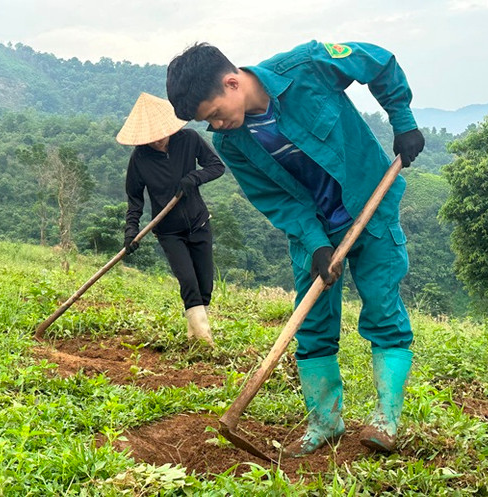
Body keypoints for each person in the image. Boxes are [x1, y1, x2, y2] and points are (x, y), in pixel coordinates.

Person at [166, 41, 425, 456]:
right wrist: (317, 243)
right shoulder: (232, 144)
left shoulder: (307, 67)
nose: (215, 125)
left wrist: (404, 123)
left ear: (232, 83)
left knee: (382, 307)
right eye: (206, 121)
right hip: (313, 230)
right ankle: (325, 421)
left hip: (370, 204)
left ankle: (385, 419)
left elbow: (379, 63)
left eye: (214, 113)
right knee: (313, 324)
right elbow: (275, 199)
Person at [117, 92, 225, 347]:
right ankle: (205, 342)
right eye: (151, 137)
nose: (157, 140)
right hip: (168, 231)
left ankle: (194, 336)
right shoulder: (140, 158)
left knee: (205, 285)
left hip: (199, 223)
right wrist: (131, 231)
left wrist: (194, 178)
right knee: (188, 281)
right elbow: (135, 199)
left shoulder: (189, 139)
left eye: (161, 134)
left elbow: (216, 166)